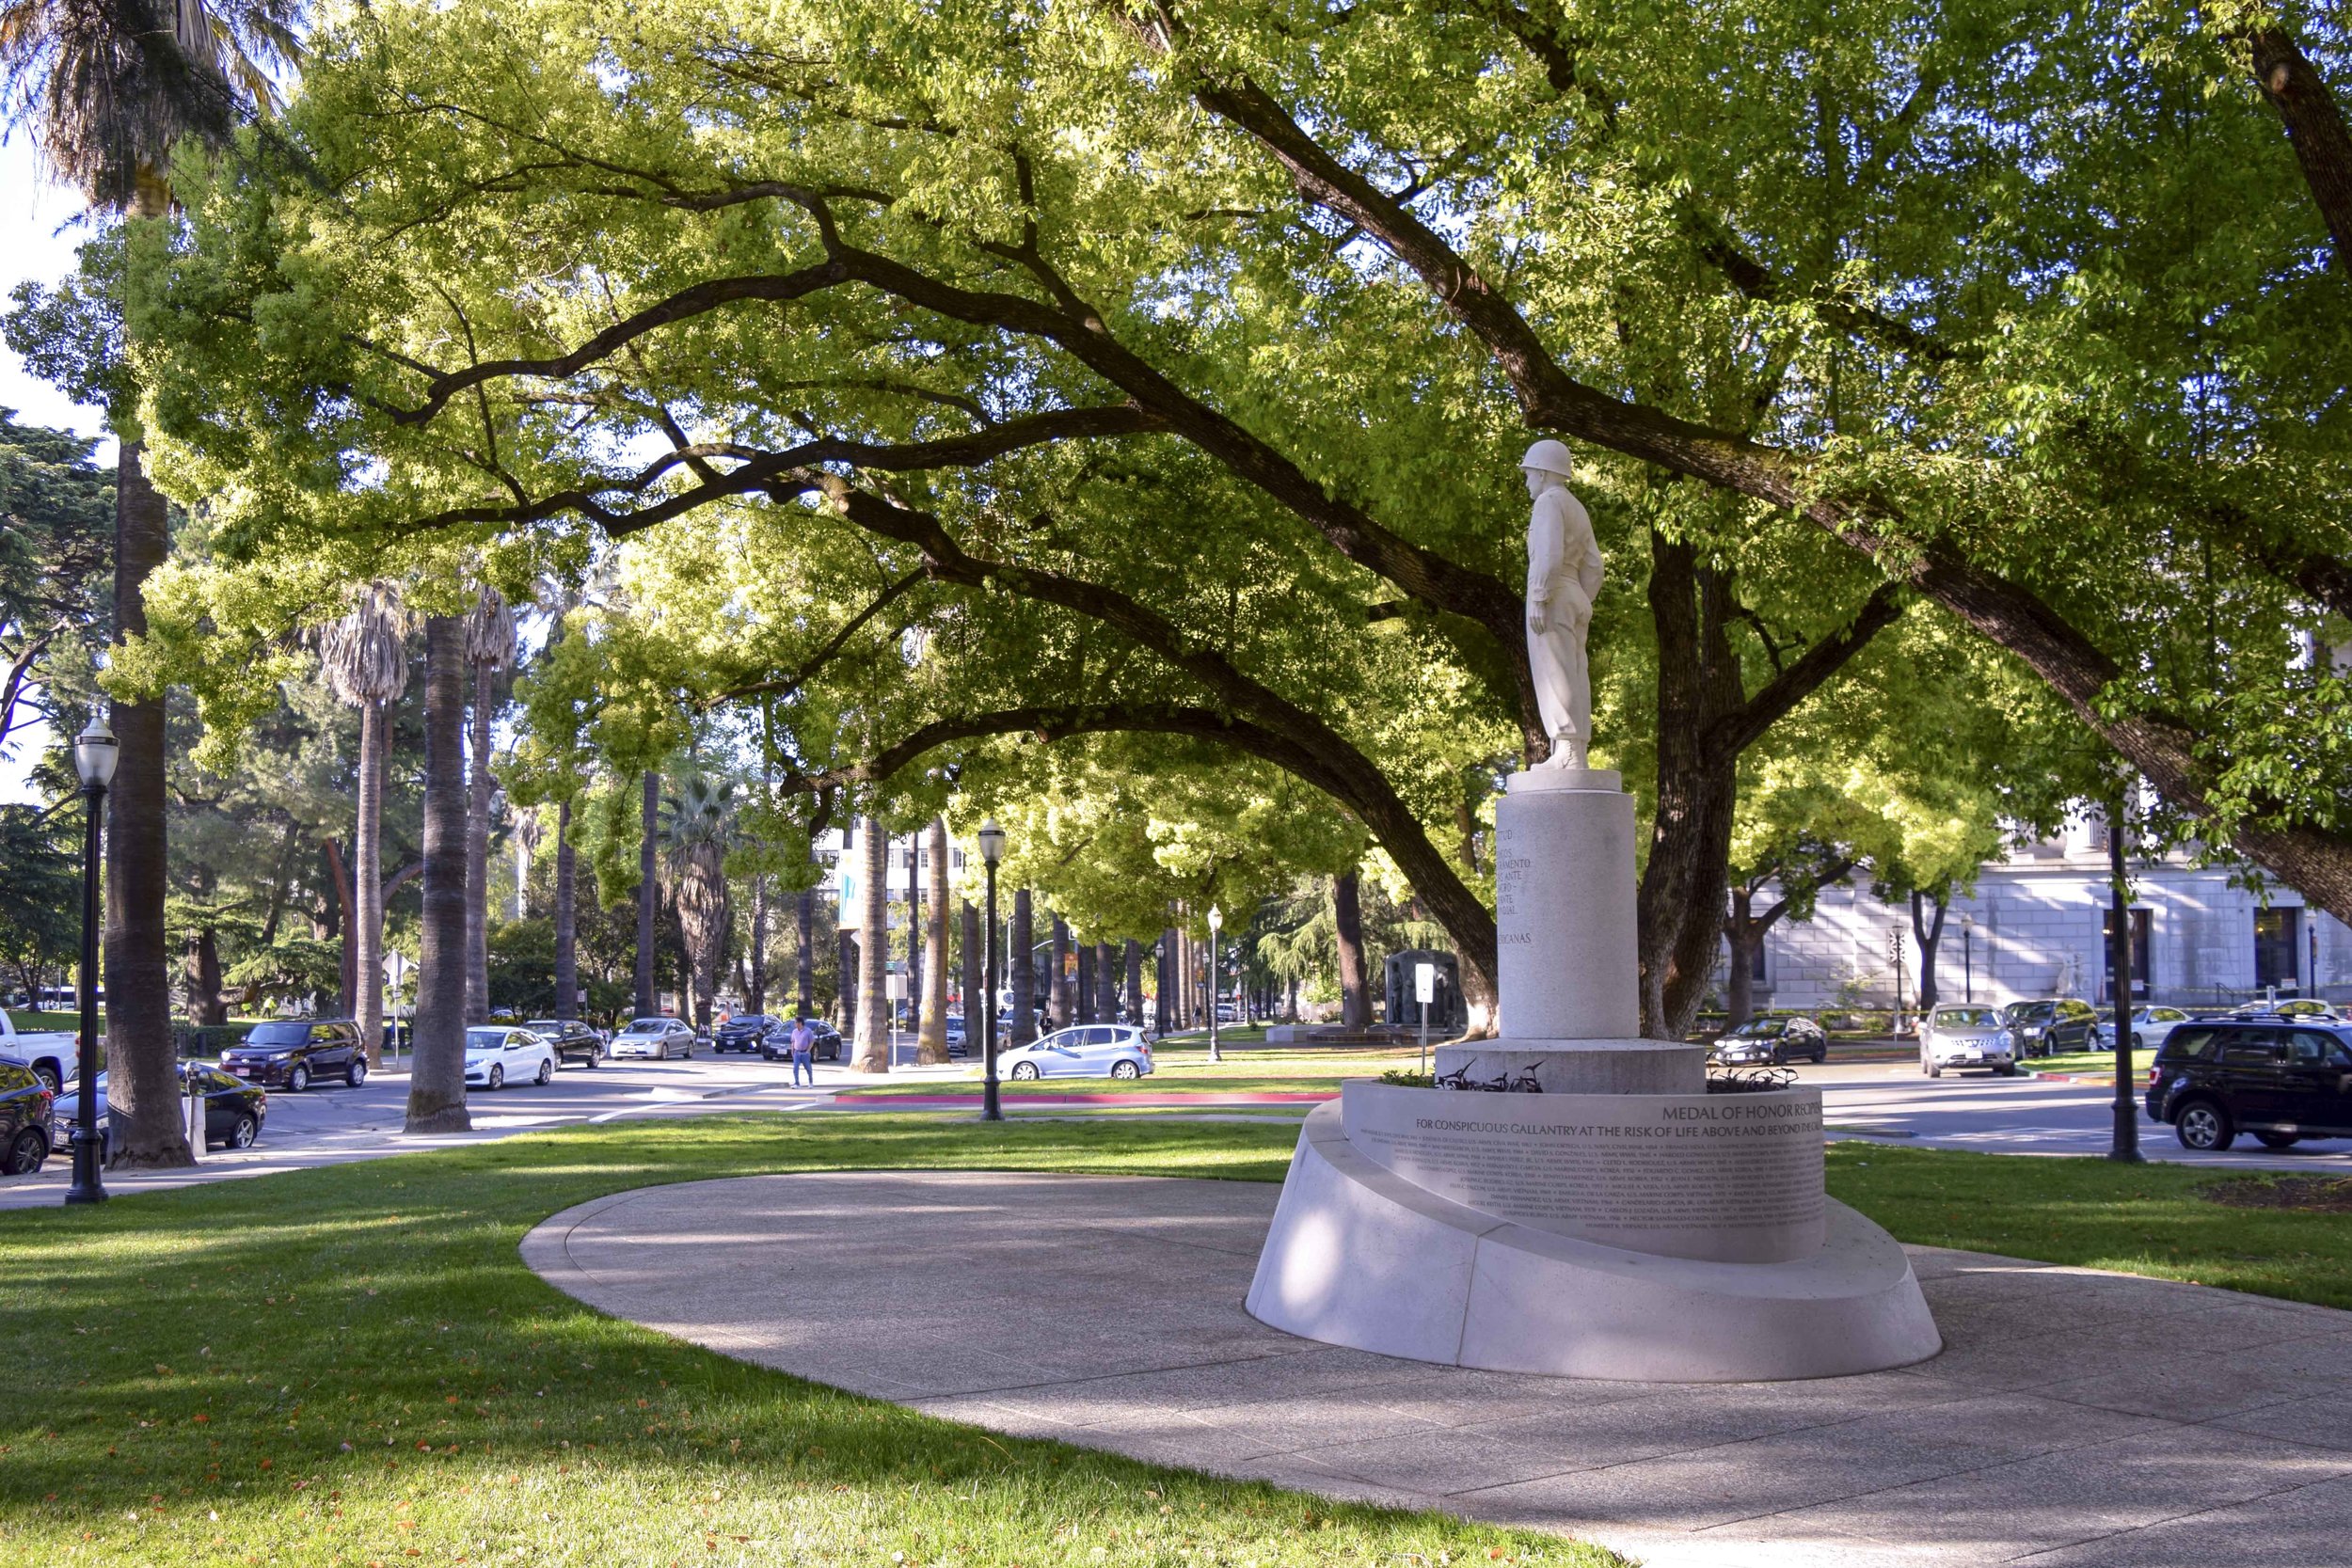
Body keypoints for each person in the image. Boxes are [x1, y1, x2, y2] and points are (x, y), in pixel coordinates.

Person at [789, 1015, 816, 1086]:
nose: (795, 1024)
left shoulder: (808, 1031)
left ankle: (810, 1082)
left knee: (808, 1068)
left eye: (796, 1022)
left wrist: (808, 1051)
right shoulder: (794, 1032)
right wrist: (792, 1051)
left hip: (805, 1053)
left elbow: (812, 1041)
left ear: (800, 1023)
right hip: (796, 1053)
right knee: (795, 1068)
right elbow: (793, 1042)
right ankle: (797, 1083)